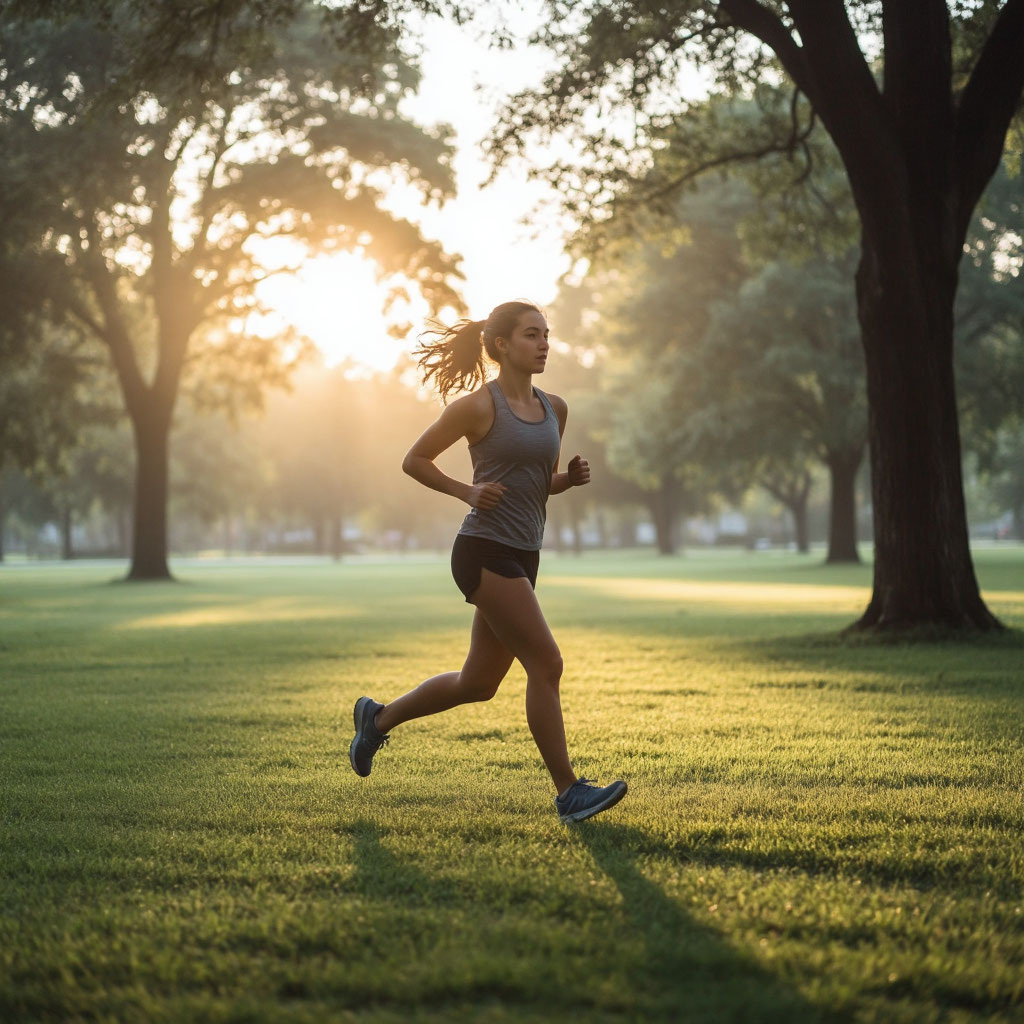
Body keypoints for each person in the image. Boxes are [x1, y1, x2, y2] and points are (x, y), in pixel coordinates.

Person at [348, 300, 627, 823]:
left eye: (546, 334)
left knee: (477, 684)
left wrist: (568, 480)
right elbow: (414, 460)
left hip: (524, 552)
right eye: (531, 334)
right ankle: (569, 792)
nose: (544, 344)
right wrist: (467, 491)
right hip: (484, 549)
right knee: (546, 663)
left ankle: (377, 720)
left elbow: (536, 483)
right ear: (502, 344)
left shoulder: (555, 408)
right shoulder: (477, 407)